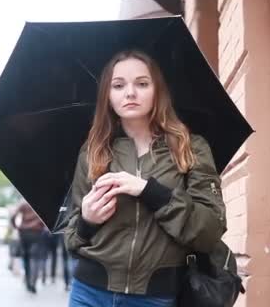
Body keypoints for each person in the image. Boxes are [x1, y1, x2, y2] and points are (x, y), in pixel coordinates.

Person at [64, 50, 227, 307]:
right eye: (118, 85)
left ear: (157, 90)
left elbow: (209, 231)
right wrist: (86, 220)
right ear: (108, 95)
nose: (130, 93)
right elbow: (71, 237)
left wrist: (151, 192)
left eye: (142, 83)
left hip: (155, 297)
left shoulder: (190, 148)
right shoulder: (93, 151)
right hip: (89, 292)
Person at [10, 199, 46, 294]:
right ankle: (33, 282)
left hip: (24, 233)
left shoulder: (23, 203)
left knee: (26, 258)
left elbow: (13, 216)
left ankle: (28, 281)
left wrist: (16, 227)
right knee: (35, 258)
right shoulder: (41, 203)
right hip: (37, 233)